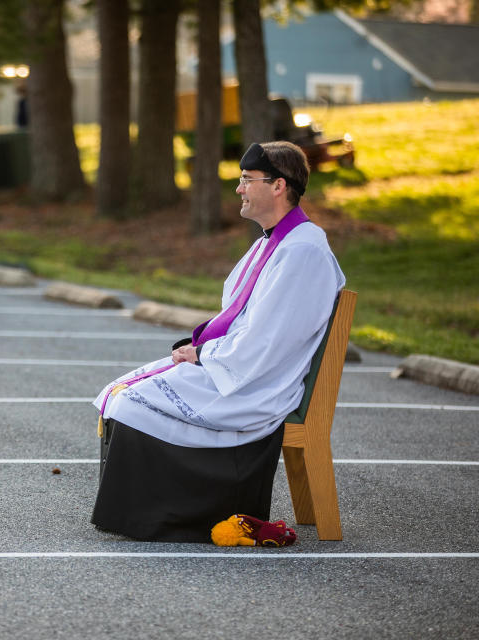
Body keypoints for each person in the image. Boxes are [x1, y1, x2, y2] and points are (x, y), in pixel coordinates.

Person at [92, 140, 346, 543]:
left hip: (253, 383)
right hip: (238, 367)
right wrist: (197, 347)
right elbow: (245, 320)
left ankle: (173, 516)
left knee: (131, 402)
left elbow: (266, 341)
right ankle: (144, 512)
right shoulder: (274, 241)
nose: (239, 189)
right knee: (123, 392)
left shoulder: (302, 252)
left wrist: (204, 354)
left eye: (247, 180)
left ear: (278, 186)